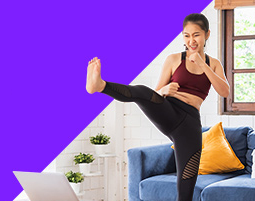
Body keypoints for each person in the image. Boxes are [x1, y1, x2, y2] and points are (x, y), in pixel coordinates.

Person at [85, 13, 230, 201]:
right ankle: (101, 86)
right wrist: (165, 90)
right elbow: (154, 94)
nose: (191, 40)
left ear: (207, 34)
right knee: (143, 93)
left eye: (196, 35)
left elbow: (224, 91)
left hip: (189, 125)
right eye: (186, 35)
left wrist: (202, 63)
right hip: (169, 111)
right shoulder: (174, 59)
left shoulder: (214, 64)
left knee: (186, 186)